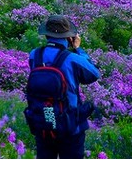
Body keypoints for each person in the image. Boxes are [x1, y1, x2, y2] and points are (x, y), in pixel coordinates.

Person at [26, 15, 100, 159]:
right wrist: (78, 49)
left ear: (47, 34)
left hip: (43, 123)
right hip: (70, 127)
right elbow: (94, 74)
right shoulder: (73, 59)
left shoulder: (34, 55)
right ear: (69, 37)